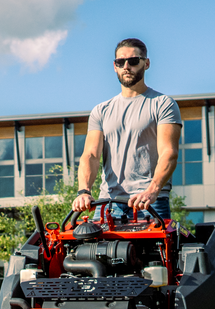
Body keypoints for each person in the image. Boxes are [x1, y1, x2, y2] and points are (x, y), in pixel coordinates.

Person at [72, 38, 182, 221]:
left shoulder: (163, 104)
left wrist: (152, 191)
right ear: (114, 66)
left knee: (156, 251)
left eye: (133, 61)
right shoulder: (101, 110)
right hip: (107, 204)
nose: (126, 66)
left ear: (146, 63)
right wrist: (84, 191)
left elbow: (169, 153)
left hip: (149, 203)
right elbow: (91, 155)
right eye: (120, 62)